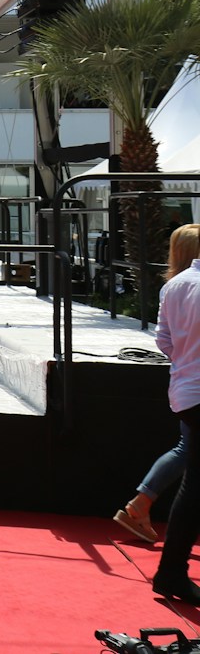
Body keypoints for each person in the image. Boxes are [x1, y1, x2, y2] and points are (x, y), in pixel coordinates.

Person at [118, 224, 200, 544]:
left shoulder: (173, 287)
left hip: (184, 385)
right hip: (192, 384)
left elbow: (163, 340)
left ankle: (140, 505)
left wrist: (185, 358)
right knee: (187, 454)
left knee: (186, 450)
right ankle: (140, 506)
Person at [150, 224, 200, 602]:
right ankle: (170, 572)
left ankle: (171, 572)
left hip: (186, 392)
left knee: (195, 486)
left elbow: (164, 341)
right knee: (195, 487)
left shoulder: (175, 286)